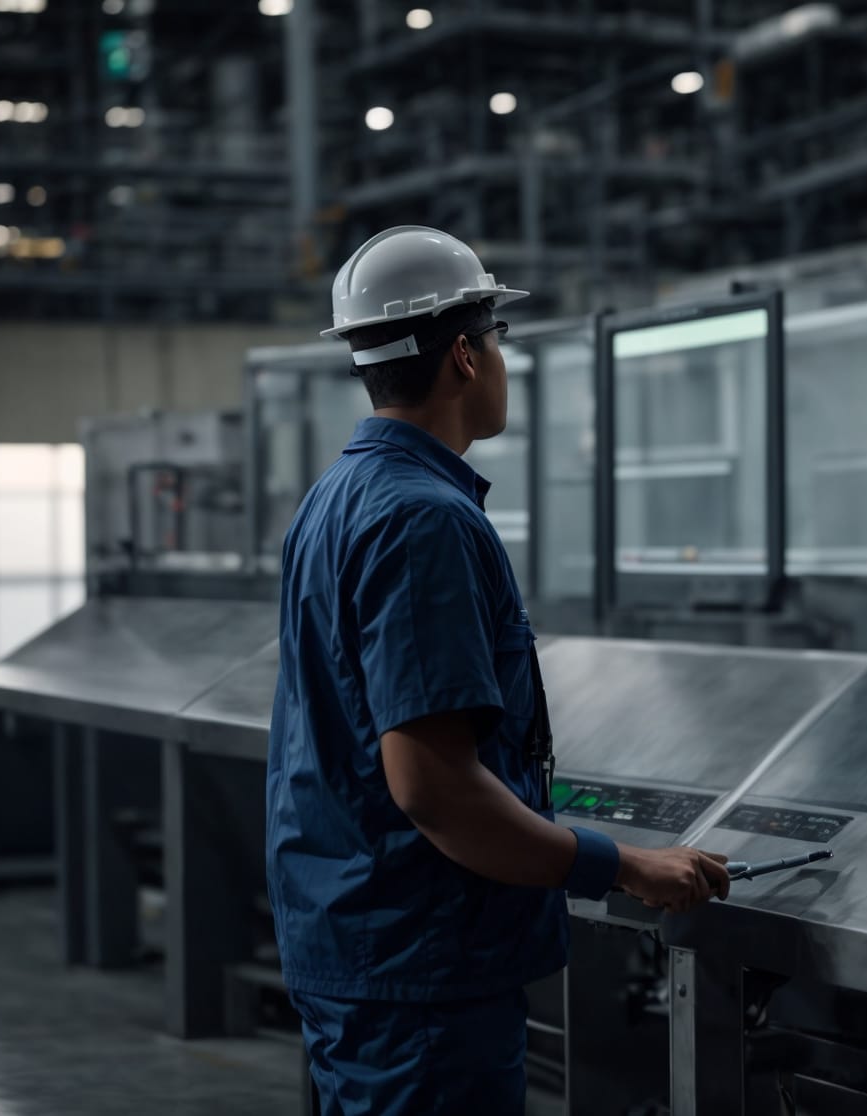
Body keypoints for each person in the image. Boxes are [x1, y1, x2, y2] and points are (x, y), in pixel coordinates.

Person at [267, 225, 731, 1114]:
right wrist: (624, 865)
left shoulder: (338, 496)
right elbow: (434, 789)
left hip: (362, 937)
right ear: (465, 358)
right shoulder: (422, 521)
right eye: (496, 337)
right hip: (422, 966)